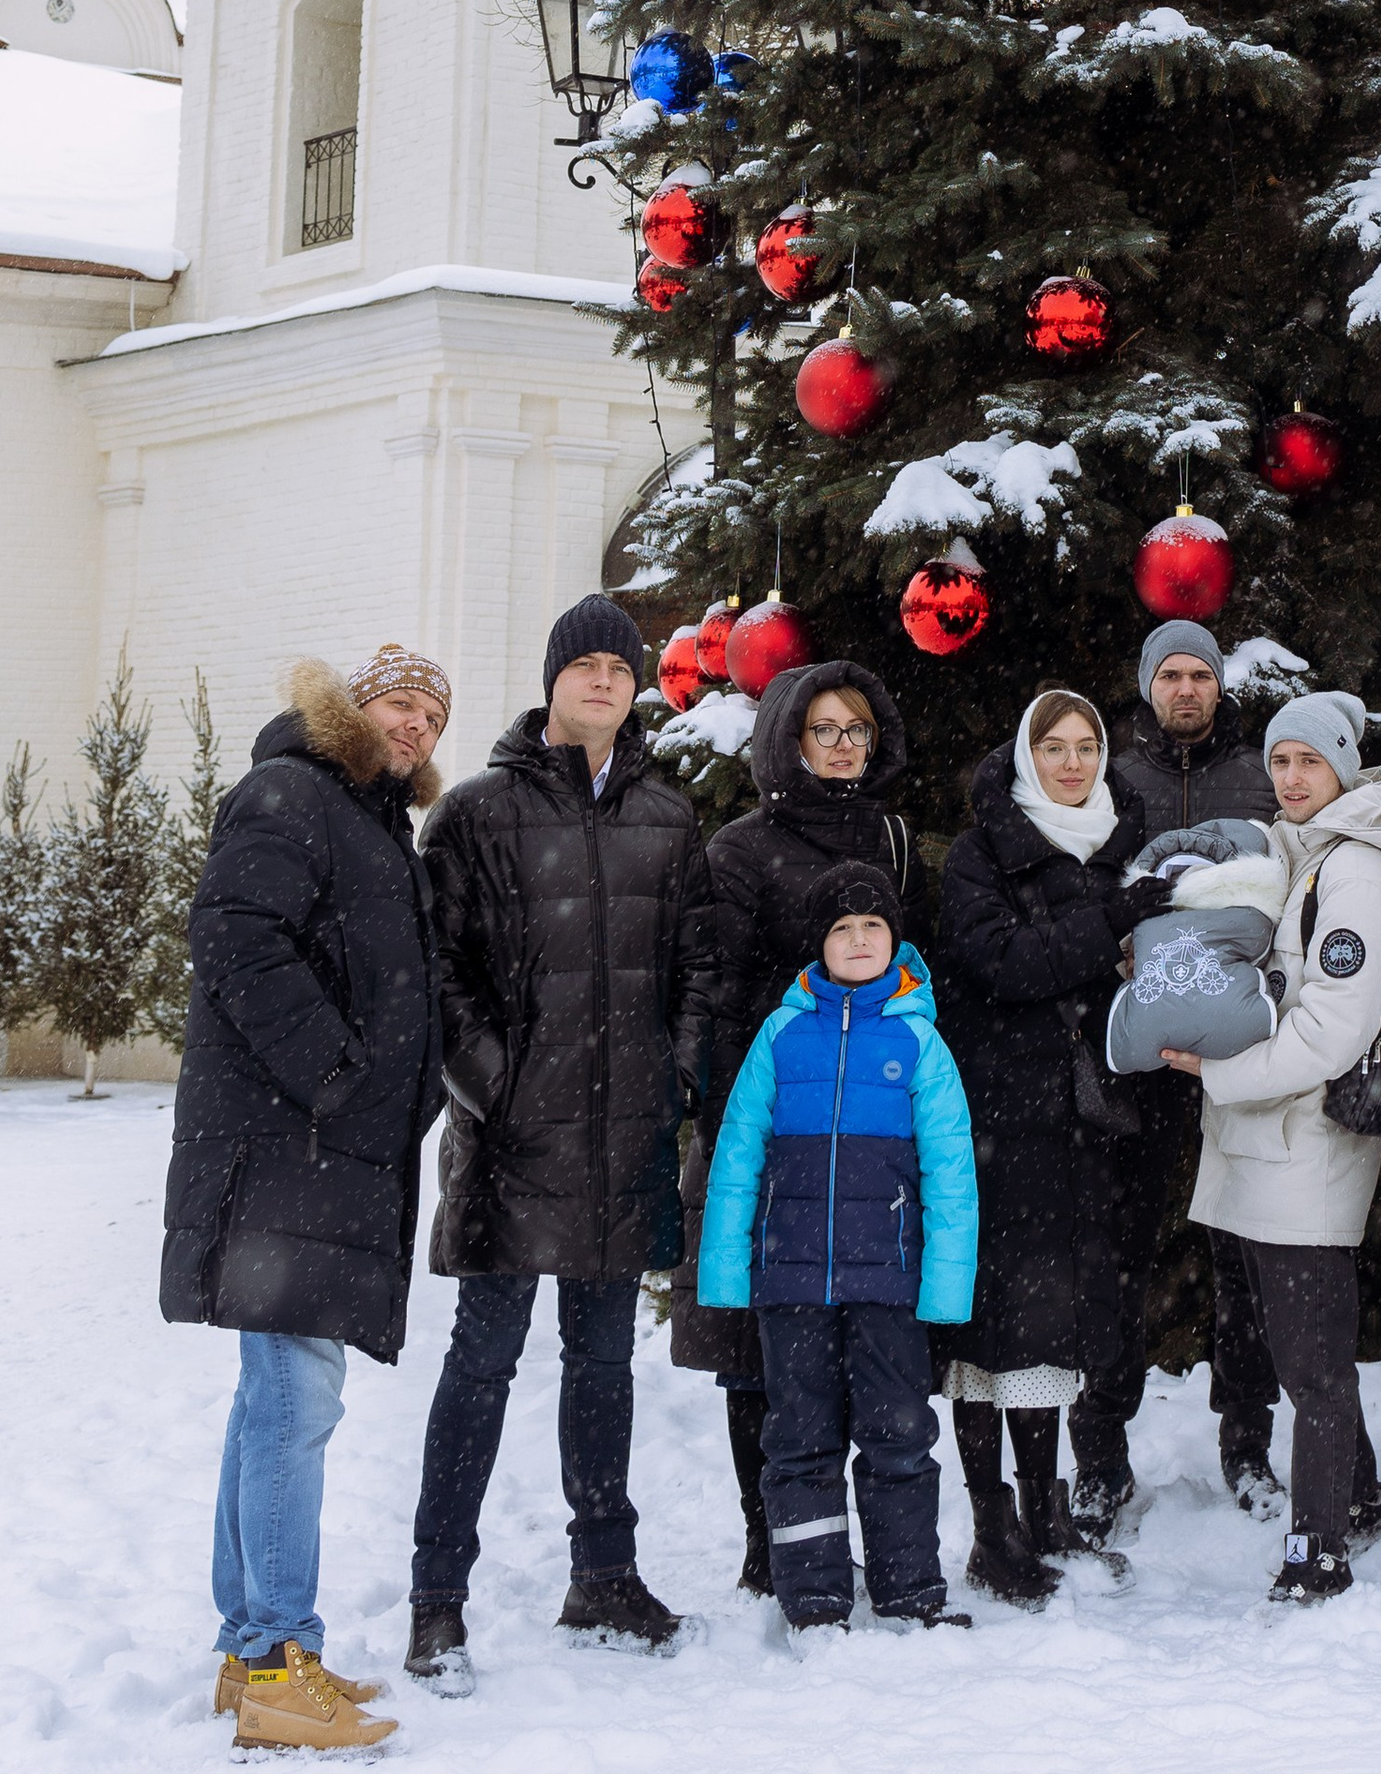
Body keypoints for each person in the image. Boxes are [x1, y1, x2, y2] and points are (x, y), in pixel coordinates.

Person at [403, 594, 712, 1687]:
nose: (600, 681)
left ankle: (604, 1572)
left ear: (636, 691)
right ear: (551, 682)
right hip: (511, 1139)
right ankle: (436, 1595)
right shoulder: (478, 815)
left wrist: (672, 1074)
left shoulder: (670, 822)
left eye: (618, 669)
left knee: (601, 1363)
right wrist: (493, 1083)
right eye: (580, 665)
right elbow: (439, 973)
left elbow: (694, 973)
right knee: (480, 1364)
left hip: (622, 1136)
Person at [161, 643, 451, 1755]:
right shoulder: (291, 792)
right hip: (290, 1146)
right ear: (351, 707)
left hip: (319, 1153)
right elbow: (236, 936)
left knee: (269, 1398)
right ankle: (282, 1657)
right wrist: (338, 1074)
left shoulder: (376, 822)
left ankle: (251, 1653)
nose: (416, 722)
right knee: (293, 1399)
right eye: (398, 701)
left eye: (431, 711)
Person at [1169, 688, 1381, 1607]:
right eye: (1279, 761)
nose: (1289, 778)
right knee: (1301, 1356)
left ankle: (1318, 1555)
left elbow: (1330, 1031)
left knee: (1313, 1370)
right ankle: (1358, 1501)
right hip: (1264, 1148)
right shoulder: (1301, 852)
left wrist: (1217, 1077)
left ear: (1344, 768)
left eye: (1308, 762)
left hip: (1304, 1152)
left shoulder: (1356, 870)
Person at [672, 662, 921, 1593]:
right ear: (787, 737)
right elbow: (718, 993)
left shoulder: (892, 840)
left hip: (871, 1136)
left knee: (864, 1346)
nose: (845, 744)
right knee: (763, 1356)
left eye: (857, 727)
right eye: (824, 729)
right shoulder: (741, 847)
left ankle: (859, 1540)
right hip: (769, 1129)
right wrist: (738, 1120)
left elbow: (915, 982)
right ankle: (768, 1539)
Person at [698, 859, 977, 1637]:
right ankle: (814, 1597)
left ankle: (909, 1587)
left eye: (873, 925)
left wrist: (944, 1290)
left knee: (898, 1433)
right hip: (792, 1278)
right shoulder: (782, 1034)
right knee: (798, 1438)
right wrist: (725, 1272)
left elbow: (951, 1176)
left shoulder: (920, 1041)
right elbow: (738, 1154)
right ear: (818, 943)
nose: (858, 940)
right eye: (842, 927)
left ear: (896, 938)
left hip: (887, 1280)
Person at [933, 687, 1149, 1603]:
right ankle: (991, 1528)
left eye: (1087, 745)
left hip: (1086, 1124)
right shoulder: (982, 855)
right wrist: (1112, 928)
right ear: (1026, 756)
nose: (1072, 762)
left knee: (1054, 1330)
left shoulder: (1121, 846)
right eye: (1053, 746)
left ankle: (1045, 1508)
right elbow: (1005, 965)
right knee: (993, 1335)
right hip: (999, 1123)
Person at [1078, 618, 1282, 1527]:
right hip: (1139, 1060)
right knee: (1120, 1254)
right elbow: (1083, 887)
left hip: (1241, 1054)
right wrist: (1109, 952)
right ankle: (1100, 1451)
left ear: (1219, 684)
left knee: (1245, 1253)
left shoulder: (1258, 774)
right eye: (1172, 675)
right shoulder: (1114, 777)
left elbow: (1292, 886)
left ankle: (1248, 1443)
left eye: (1202, 673)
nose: (1188, 689)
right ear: (1148, 684)